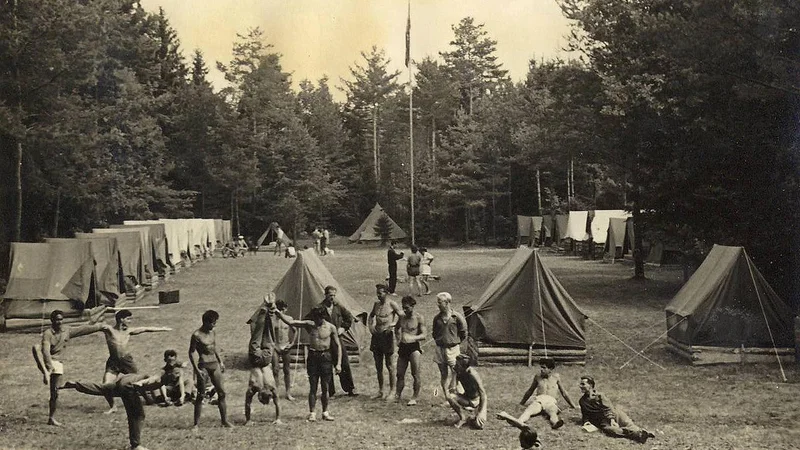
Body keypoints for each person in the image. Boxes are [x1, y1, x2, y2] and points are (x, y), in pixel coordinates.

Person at [37, 309, 107, 426]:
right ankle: (46, 373)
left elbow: (84, 328)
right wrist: (49, 367)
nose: (59, 322)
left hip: (58, 362)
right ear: (52, 321)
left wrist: (100, 326)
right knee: (36, 348)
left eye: (60, 320)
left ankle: (52, 417)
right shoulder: (48, 333)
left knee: (55, 392)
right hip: (49, 361)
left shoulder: (66, 330)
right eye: (56, 320)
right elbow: (45, 351)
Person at [274, 307, 342, 422]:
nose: (315, 321)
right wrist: (277, 312)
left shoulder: (331, 327)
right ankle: (312, 413)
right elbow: (291, 322)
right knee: (313, 386)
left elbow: (338, 345)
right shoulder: (310, 325)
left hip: (326, 357)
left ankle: (325, 412)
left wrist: (339, 363)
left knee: (325, 387)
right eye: (314, 318)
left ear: (322, 317)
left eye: (317, 319)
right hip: (313, 357)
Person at [62, 373, 163, 450]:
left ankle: (77, 384)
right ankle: (136, 445)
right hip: (128, 385)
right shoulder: (157, 379)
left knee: (102, 389)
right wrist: (151, 400)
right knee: (137, 415)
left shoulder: (160, 376)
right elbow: (141, 386)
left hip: (125, 379)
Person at [101, 309, 172, 414]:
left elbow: (145, 329)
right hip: (113, 362)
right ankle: (113, 407)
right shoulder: (109, 330)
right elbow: (94, 327)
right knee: (106, 385)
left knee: (138, 382)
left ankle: (148, 399)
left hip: (127, 361)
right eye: (128, 319)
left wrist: (162, 329)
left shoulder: (128, 331)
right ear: (121, 319)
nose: (130, 321)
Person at [307, 285, 358, 397]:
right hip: (325, 339)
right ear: (325, 295)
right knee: (327, 365)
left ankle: (350, 389)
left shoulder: (338, 306)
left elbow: (349, 318)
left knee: (343, 363)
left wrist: (343, 328)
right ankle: (330, 391)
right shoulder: (319, 308)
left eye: (334, 295)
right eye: (330, 295)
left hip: (337, 339)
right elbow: (308, 320)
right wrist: (315, 332)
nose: (332, 298)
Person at [500, 357, 575, 430]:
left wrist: (573, 405)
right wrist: (522, 403)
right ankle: (519, 421)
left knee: (552, 413)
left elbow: (564, 393)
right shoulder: (537, 377)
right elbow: (530, 391)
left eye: (544, 368)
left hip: (551, 401)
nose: (541, 370)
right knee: (529, 411)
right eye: (541, 367)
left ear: (550, 369)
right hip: (539, 400)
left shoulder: (556, 377)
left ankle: (555, 423)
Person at [578, 376, 655, 444]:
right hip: (603, 421)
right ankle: (639, 435)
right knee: (612, 430)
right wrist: (586, 422)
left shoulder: (600, 395)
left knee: (628, 424)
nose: (580, 386)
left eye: (583, 384)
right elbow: (585, 414)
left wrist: (612, 420)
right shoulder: (582, 401)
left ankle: (643, 432)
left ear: (590, 385)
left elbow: (608, 407)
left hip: (615, 414)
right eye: (580, 384)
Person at [189, 310, 233, 429]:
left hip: (215, 365)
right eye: (213, 323)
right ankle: (196, 424)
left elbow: (214, 347)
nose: (215, 325)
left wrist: (221, 362)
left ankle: (224, 421)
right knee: (201, 395)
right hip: (204, 366)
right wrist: (197, 370)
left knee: (222, 393)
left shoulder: (213, 332)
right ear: (206, 322)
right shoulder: (196, 335)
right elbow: (191, 353)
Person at [244, 295, 281, 425]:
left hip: (265, 359)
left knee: (268, 333)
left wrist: (249, 420)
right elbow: (248, 403)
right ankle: (266, 309)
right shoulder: (266, 386)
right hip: (257, 358)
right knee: (259, 333)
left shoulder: (261, 386)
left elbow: (248, 403)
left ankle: (269, 309)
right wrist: (278, 419)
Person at [368, 284, 404, 399]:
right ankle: (381, 390)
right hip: (377, 336)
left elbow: (402, 316)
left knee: (389, 365)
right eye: (377, 293)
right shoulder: (376, 304)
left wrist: (393, 325)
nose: (378, 295)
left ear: (386, 293)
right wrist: (370, 326)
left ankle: (392, 390)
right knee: (378, 365)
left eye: (381, 293)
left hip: (387, 336)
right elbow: (371, 316)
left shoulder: (392, 304)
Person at [432, 292, 468, 396]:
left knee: (456, 372)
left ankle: (457, 395)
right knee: (443, 374)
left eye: (440, 302)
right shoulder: (437, 318)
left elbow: (463, 332)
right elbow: (434, 333)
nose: (438, 304)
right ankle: (448, 397)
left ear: (447, 303)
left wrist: (454, 342)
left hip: (453, 349)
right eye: (437, 302)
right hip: (440, 349)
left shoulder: (457, 317)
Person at [393, 296, 426, 406]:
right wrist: (398, 340)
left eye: (407, 308)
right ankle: (397, 395)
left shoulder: (418, 318)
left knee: (415, 374)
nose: (405, 310)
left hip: (414, 348)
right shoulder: (402, 317)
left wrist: (412, 338)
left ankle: (414, 397)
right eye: (403, 308)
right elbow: (396, 328)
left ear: (412, 306)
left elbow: (424, 335)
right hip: (403, 347)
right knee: (399, 373)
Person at [446, 354, 487, 429]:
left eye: (457, 365)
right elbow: (451, 389)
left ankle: (472, 417)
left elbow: (483, 393)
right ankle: (462, 418)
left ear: (463, 367)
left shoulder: (473, 374)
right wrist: (454, 375)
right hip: (467, 399)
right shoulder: (459, 372)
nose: (455, 366)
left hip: (477, 401)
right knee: (450, 397)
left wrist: (481, 412)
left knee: (479, 426)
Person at [271, 300, 296, 401]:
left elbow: (295, 330)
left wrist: (292, 343)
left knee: (287, 370)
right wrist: (273, 345)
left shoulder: (289, 319)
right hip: (276, 346)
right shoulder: (273, 320)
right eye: (280, 310)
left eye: (283, 310)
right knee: (275, 370)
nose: (282, 312)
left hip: (286, 346)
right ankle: (275, 393)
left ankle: (288, 393)